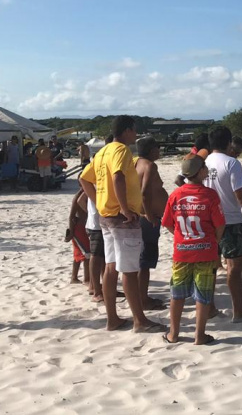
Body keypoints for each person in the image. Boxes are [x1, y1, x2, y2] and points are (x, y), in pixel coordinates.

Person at [79, 115, 164, 333]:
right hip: (121, 218)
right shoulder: (120, 150)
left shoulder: (103, 151)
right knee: (129, 270)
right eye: (134, 130)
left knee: (110, 268)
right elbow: (117, 177)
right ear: (126, 130)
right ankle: (139, 321)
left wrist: (99, 202)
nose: (136, 135)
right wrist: (125, 208)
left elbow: (84, 178)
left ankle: (113, 318)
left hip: (106, 216)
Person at [162, 155, 225, 345]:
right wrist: (213, 241)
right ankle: (199, 335)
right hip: (205, 251)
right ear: (200, 172)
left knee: (177, 293)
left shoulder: (176, 194)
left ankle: (173, 334)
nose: (207, 169)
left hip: (182, 251)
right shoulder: (209, 195)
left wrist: (182, 237)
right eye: (204, 167)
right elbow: (220, 224)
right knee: (203, 294)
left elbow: (167, 223)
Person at [204, 126, 242, 322]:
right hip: (230, 220)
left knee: (211, 265)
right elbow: (241, 195)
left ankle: (210, 307)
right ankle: (238, 311)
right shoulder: (232, 163)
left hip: (209, 221)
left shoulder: (203, 162)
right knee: (234, 267)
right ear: (229, 143)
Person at [136, 136, 168, 310]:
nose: (159, 150)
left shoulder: (137, 163)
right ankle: (143, 299)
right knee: (145, 260)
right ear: (151, 149)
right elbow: (145, 193)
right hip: (147, 218)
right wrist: (149, 215)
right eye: (157, 147)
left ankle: (141, 296)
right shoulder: (150, 166)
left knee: (142, 259)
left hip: (141, 216)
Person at [66, 190, 91, 290]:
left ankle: (74, 277)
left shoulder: (86, 193)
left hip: (83, 228)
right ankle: (86, 279)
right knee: (87, 254)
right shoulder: (79, 196)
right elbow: (71, 216)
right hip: (79, 229)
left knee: (79, 253)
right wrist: (71, 232)